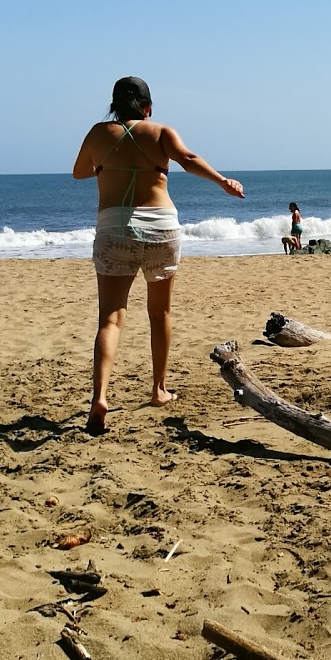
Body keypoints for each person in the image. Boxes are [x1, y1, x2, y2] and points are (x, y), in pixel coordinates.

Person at [72, 76, 244, 435]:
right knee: (159, 312)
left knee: (110, 320)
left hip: (113, 227)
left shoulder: (98, 133)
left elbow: (79, 172)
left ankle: (100, 397)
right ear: (148, 107)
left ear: (114, 106)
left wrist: (105, 166)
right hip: (161, 227)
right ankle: (158, 389)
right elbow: (188, 159)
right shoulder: (160, 131)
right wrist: (223, 181)